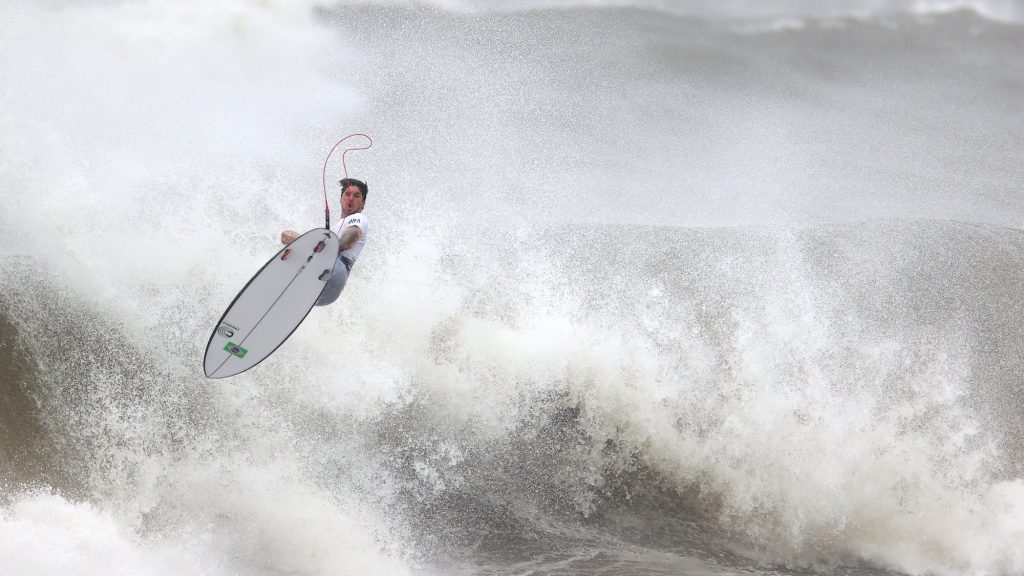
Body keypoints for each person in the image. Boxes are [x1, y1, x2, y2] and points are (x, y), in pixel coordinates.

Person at [280, 178, 369, 306]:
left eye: (356, 196)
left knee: (291, 238)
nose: (350, 199)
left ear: (363, 203)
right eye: (347, 194)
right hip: (328, 293)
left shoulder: (359, 218)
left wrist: (321, 249)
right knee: (287, 236)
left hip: (336, 270)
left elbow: (350, 238)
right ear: (340, 198)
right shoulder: (335, 228)